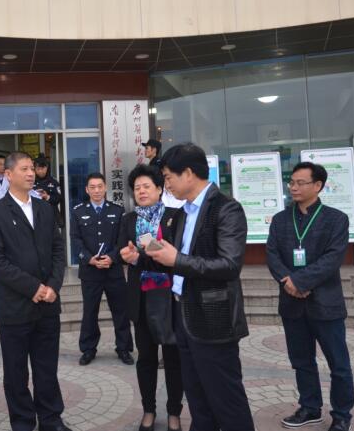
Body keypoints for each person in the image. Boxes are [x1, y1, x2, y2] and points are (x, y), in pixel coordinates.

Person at [146, 143, 254, 431]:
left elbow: (229, 265)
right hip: (183, 315)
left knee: (227, 401)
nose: (166, 184)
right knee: (197, 399)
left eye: (168, 177)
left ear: (188, 173)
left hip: (213, 320)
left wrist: (176, 259)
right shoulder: (183, 212)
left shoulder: (226, 208)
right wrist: (147, 254)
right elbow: (178, 258)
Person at [0, 152, 70, 431]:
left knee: (47, 368)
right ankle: (22, 422)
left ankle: (51, 419)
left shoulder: (45, 209)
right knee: (16, 372)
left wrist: (53, 286)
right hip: (14, 308)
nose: (31, 173)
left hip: (47, 305)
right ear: (9, 174)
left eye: (32, 168)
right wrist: (33, 287)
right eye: (24, 169)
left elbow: (58, 250)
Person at [266, 162, 354, 431]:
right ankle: (310, 407)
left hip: (325, 304)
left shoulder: (336, 219)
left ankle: (342, 415)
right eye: (291, 182)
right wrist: (288, 281)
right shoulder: (280, 220)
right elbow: (272, 255)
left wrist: (300, 281)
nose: (294, 187)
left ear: (318, 186)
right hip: (292, 303)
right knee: (301, 361)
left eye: (300, 182)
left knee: (339, 364)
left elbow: (332, 258)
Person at [118, 164, 183, 431]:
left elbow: (174, 253)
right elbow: (122, 248)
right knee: (145, 358)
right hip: (141, 298)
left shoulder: (174, 217)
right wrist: (125, 255)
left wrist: (141, 255)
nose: (141, 191)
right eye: (137, 188)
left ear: (159, 189)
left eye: (147, 186)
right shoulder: (128, 220)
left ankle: (174, 412)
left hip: (169, 299)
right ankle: (148, 410)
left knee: (173, 359)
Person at [70, 172, 133, 366]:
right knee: (90, 312)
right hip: (90, 272)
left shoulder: (117, 210)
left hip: (113, 271)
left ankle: (123, 348)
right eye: (92, 187)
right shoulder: (78, 211)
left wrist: (112, 257)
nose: (96, 190)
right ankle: (88, 349)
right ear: (87, 190)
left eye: (100, 186)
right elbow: (75, 240)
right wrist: (89, 259)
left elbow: (122, 239)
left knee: (120, 311)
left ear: (105, 188)